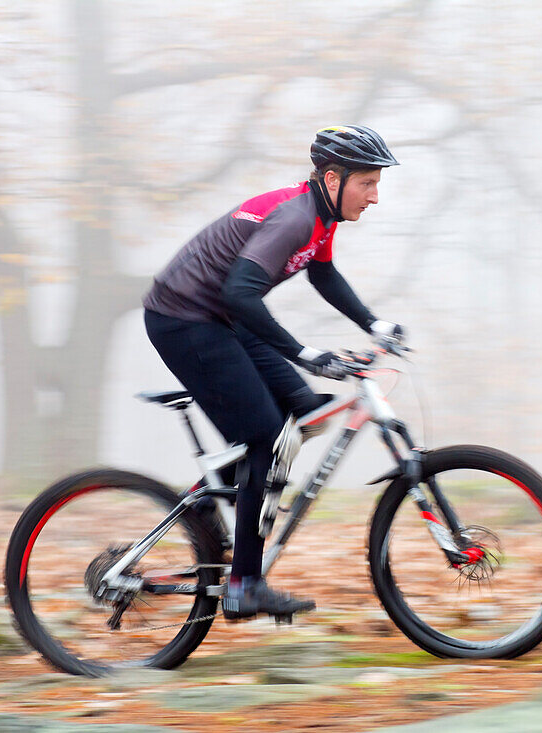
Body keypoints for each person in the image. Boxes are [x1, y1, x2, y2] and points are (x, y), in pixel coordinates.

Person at [142, 125, 404, 621]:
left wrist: (375, 323)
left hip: (224, 318)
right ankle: (244, 585)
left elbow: (322, 273)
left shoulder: (320, 218)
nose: (374, 196)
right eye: (368, 183)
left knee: (309, 410)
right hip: (184, 317)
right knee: (264, 435)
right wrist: (304, 352)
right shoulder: (294, 218)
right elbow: (240, 293)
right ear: (332, 178)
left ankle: (207, 503)